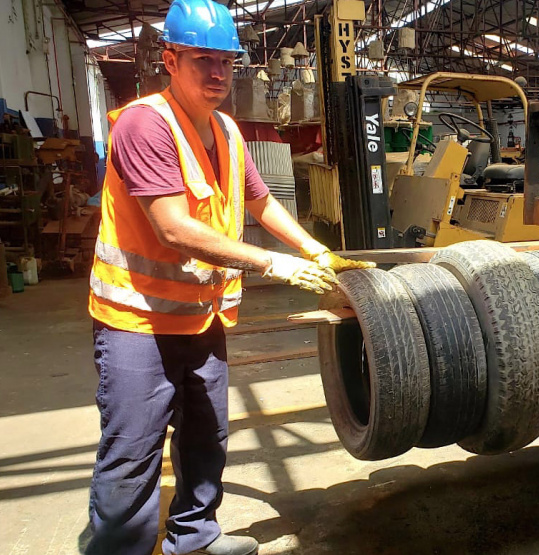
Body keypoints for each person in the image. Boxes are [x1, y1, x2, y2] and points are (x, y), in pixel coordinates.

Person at [85, 1, 373, 554]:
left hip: (201, 318)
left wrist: (317, 251)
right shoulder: (146, 124)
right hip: (135, 322)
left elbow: (262, 204)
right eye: (203, 61)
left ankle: (194, 538)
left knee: (205, 438)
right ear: (170, 60)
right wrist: (271, 263)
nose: (218, 74)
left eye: (227, 62)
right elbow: (172, 228)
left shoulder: (226, 129)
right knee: (132, 452)